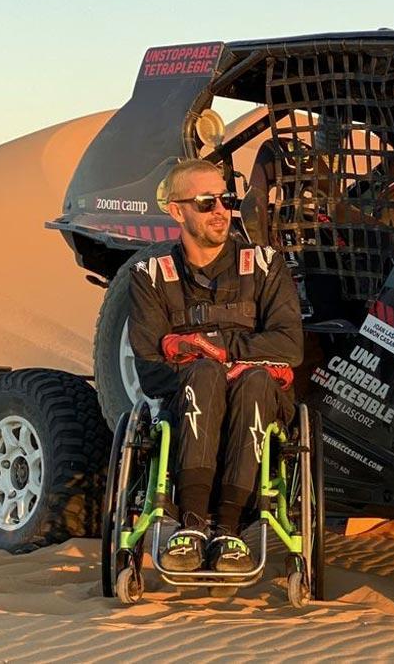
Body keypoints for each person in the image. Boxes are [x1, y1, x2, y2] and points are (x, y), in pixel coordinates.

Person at [128, 159, 302, 573]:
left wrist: (216, 350)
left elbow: (290, 345)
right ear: (176, 210)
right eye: (206, 202)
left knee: (254, 378)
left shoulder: (264, 264)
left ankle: (229, 529)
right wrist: (210, 366)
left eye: (226, 199)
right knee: (204, 376)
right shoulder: (149, 275)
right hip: (184, 404)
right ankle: (189, 525)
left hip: (258, 399)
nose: (221, 210)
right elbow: (151, 371)